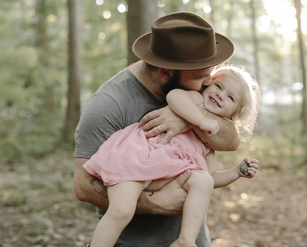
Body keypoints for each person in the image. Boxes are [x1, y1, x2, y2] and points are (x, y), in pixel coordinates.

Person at [74, 11, 242, 246]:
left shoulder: (201, 94)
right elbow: (83, 186)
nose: (208, 83)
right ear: (166, 72)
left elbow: (231, 139)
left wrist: (188, 119)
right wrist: (154, 202)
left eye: (210, 73)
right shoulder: (108, 105)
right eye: (201, 76)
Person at [83, 65, 261, 247]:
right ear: (207, 85)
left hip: (164, 174)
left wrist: (236, 172)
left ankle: (185, 240)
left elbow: (212, 177)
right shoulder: (196, 99)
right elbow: (174, 97)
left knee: (203, 181)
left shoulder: (208, 143)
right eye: (218, 86)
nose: (220, 95)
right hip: (139, 158)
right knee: (121, 210)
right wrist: (199, 121)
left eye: (230, 97)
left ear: (233, 114)